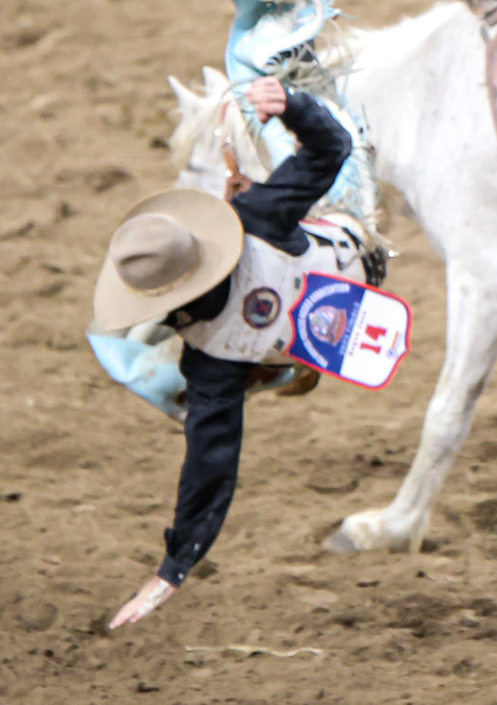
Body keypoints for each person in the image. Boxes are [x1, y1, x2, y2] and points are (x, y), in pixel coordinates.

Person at [96, 69, 354, 629]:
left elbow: (211, 467)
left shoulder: (211, 363)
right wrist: (292, 106)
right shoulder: (256, 215)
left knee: (131, 363)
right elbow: (332, 146)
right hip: (336, 268)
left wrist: (172, 569)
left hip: (288, 326)